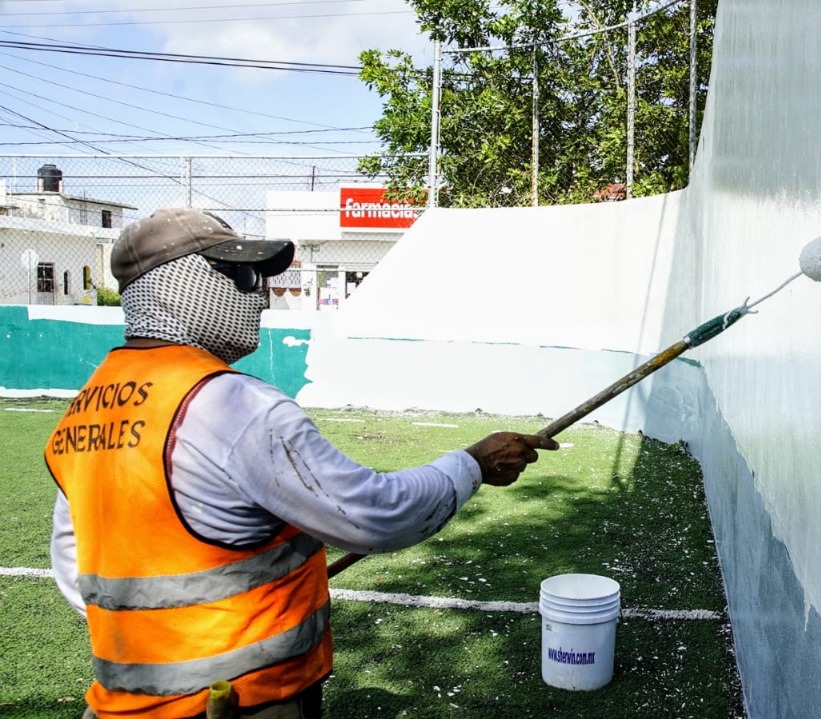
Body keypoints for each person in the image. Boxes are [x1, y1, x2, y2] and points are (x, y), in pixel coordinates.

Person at [45, 207, 558, 719]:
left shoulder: (84, 409)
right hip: (240, 701)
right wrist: (473, 464)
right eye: (242, 275)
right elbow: (374, 515)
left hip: (126, 702)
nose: (259, 295)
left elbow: (77, 570)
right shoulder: (231, 405)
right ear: (175, 285)